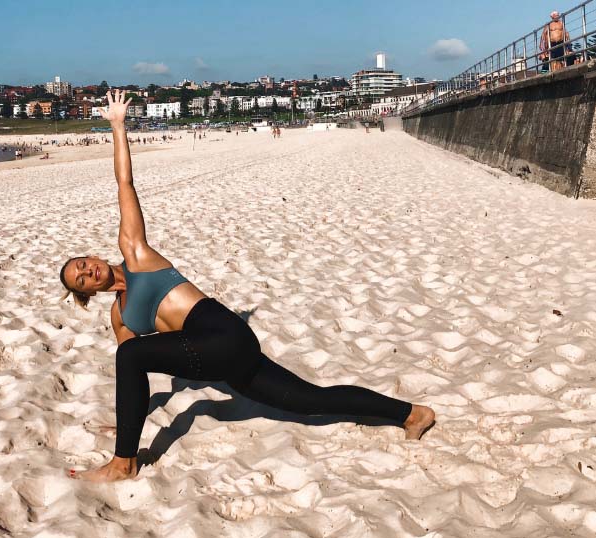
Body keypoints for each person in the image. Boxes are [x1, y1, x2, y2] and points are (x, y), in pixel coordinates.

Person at [59, 90, 436, 483]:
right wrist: (126, 424)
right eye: (81, 280)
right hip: (225, 364)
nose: (88, 273)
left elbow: (125, 184)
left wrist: (118, 126)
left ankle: (123, 465)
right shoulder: (120, 316)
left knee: (132, 355)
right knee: (309, 401)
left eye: (84, 265)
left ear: (94, 257)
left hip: (222, 333)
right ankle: (411, 413)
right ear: (87, 292)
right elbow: (132, 380)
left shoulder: (137, 254)